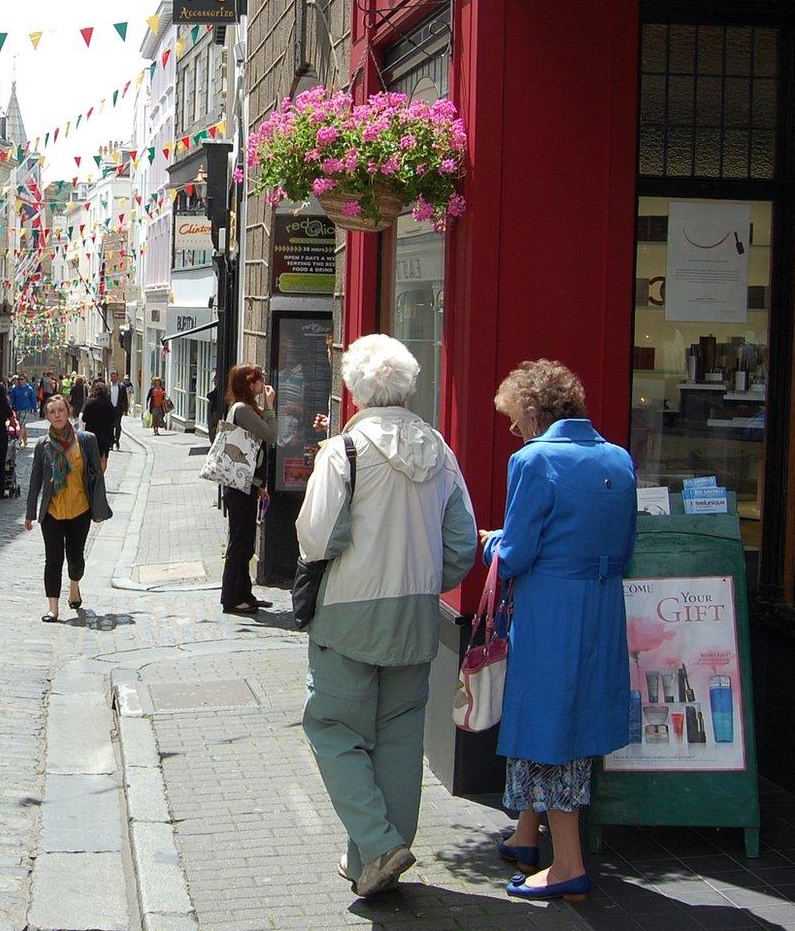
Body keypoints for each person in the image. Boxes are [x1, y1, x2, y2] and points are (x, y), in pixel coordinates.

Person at [295, 333, 477, 898]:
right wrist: (426, 580)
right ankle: (374, 857)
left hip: (350, 611)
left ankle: (376, 844)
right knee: (399, 740)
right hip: (418, 614)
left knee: (334, 729)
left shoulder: (343, 451)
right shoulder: (439, 450)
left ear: (354, 391)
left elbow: (317, 535)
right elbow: (463, 543)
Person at [484, 360, 635, 902]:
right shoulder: (618, 458)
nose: (511, 429)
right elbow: (626, 550)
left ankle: (567, 864)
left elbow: (518, 552)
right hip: (601, 606)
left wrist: (489, 544)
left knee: (552, 726)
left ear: (533, 411)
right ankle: (527, 835)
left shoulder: (534, 459)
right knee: (561, 718)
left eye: (514, 417)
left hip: (551, 608)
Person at [25, 395, 112, 621]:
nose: (57, 415)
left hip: (79, 509)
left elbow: (96, 476)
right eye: (52, 412)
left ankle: (74, 586)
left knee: (75, 558)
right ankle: (53, 608)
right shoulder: (42, 445)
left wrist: (99, 508)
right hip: (52, 512)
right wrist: (30, 513)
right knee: (53, 559)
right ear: (47, 417)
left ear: (69, 412)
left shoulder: (85, 440)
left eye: (60, 411)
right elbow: (35, 480)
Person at [216, 364, 278, 615]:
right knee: (240, 543)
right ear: (248, 384)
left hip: (246, 484)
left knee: (245, 542)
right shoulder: (241, 409)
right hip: (239, 487)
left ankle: (244, 594)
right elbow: (270, 435)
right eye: (258, 379)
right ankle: (231, 599)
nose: (263, 382)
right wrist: (271, 404)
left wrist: (260, 485)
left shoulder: (246, 408)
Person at [80, 381, 117, 468]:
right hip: (105, 435)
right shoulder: (108, 404)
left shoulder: (89, 402)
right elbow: (113, 420)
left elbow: (84, 418)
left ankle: (93, 476)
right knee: (103, 458)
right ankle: (101, 476)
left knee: (90, 457)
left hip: (91, 434)